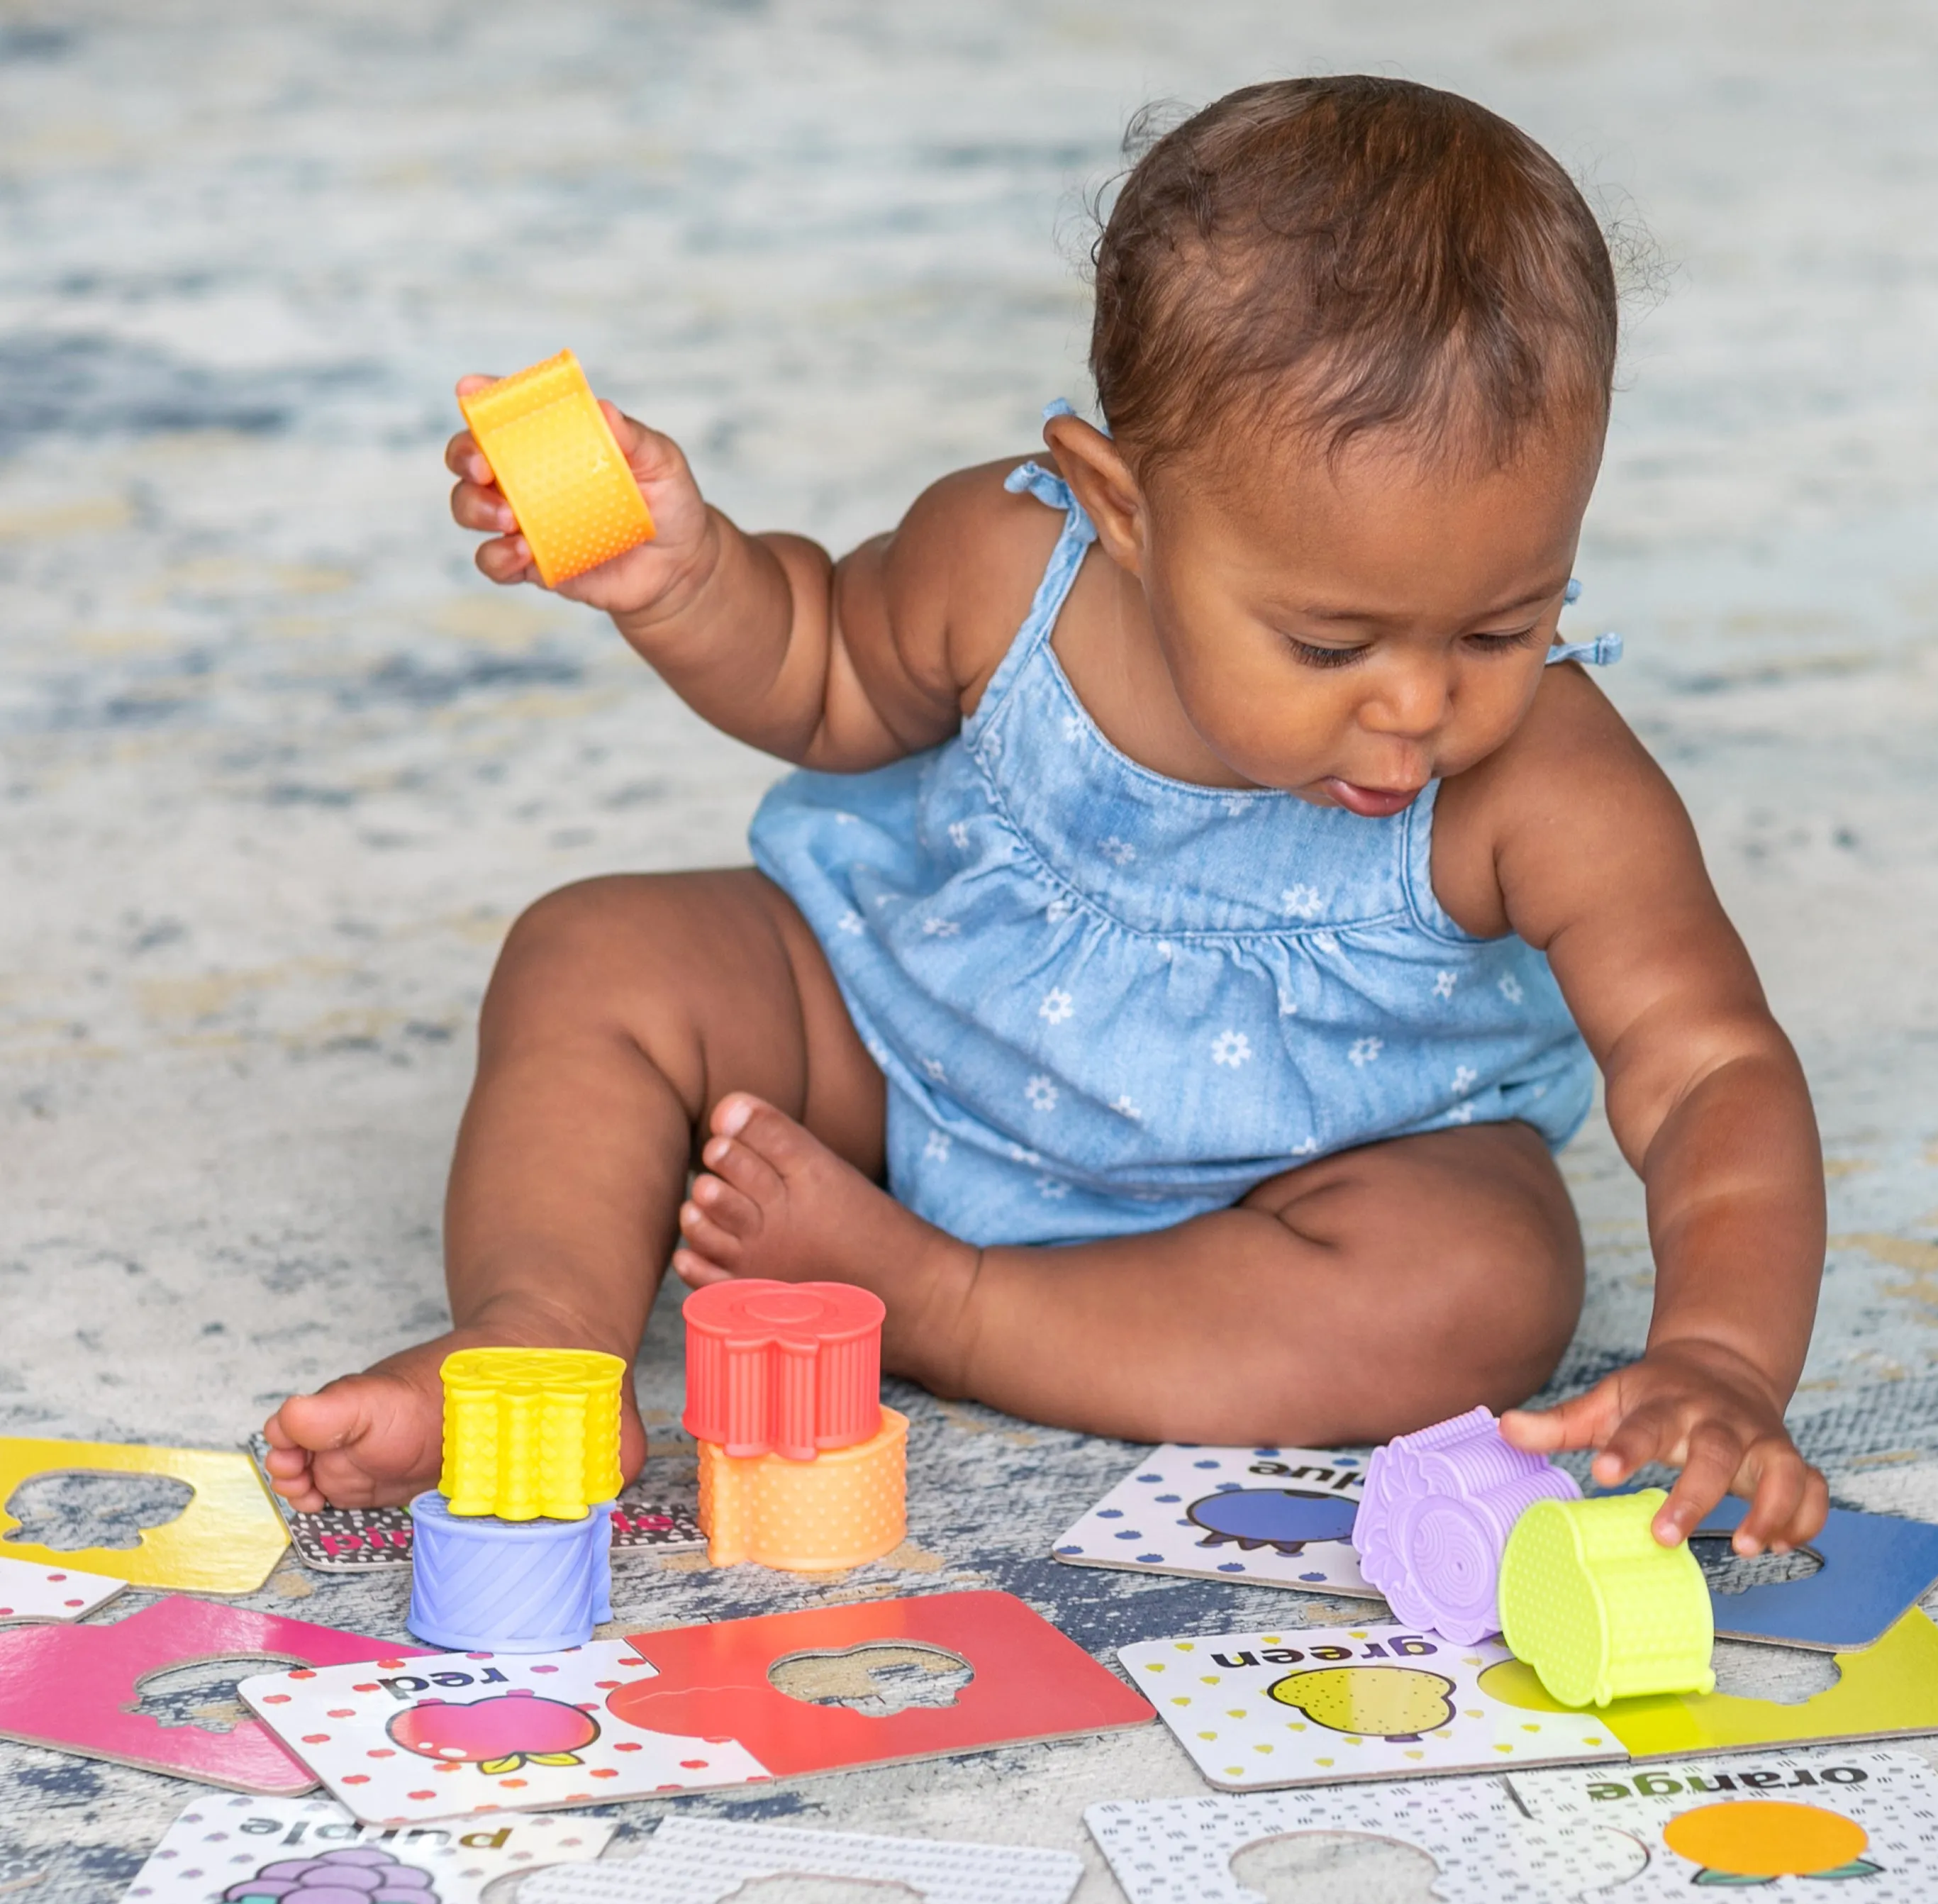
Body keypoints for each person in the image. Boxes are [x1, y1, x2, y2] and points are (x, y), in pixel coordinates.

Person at [264, 77, 1830, 1557]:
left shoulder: (1550, 782)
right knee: (594, 952)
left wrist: (1718, 1355)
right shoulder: (1007, 567)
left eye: (1502, 624)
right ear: (1118, 506)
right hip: (897, 1048)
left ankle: (947, 1305)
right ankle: (539, 1357)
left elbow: (1708, 1071)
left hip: (1294, 1189)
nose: (1420, 708)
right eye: (1332, 644)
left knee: (1484, 1281)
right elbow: (818, 670)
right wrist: (686, 578)